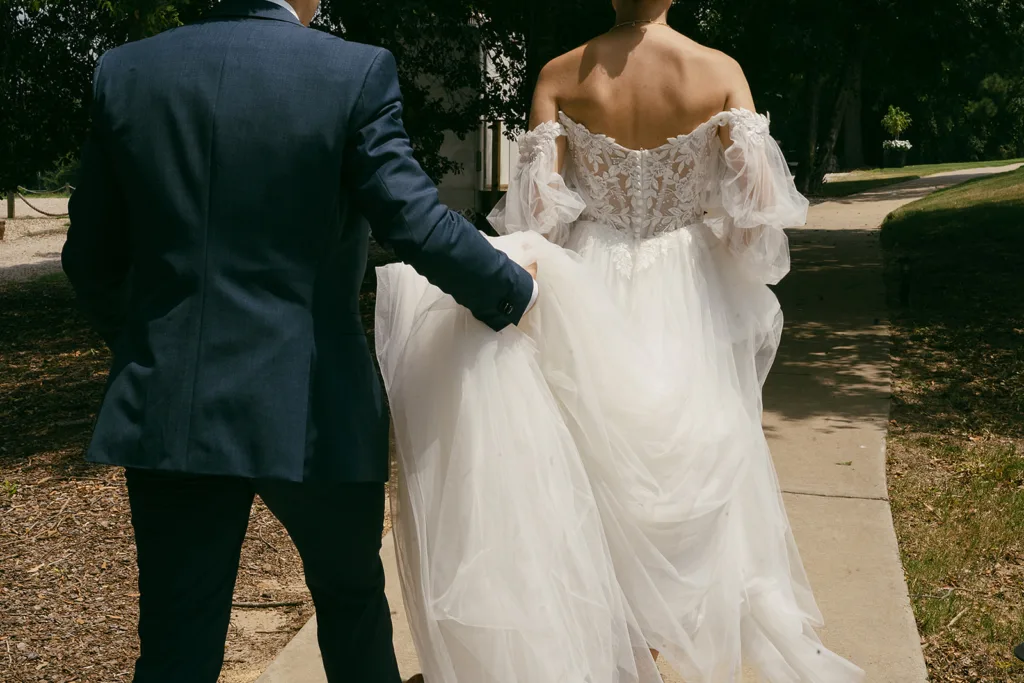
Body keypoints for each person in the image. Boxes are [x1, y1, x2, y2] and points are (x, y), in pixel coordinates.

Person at [375, 0, 866, 681]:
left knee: (594, 472)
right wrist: (711, 234)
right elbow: (758, 222)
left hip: (591, 284)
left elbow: (535, 221)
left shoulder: (560, 75)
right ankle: (666, 642)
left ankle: (620, 654)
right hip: (691, 286)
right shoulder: (718, 71)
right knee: (690, 468)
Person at [61, 0, 537, 681]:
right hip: (315, 403)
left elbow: (89, 259)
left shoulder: (129, 71)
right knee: (352, 612)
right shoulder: (355, 71)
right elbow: (414, 220)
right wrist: (518, 291)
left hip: (173, 405)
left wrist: (156, 343)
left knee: (176, 642)